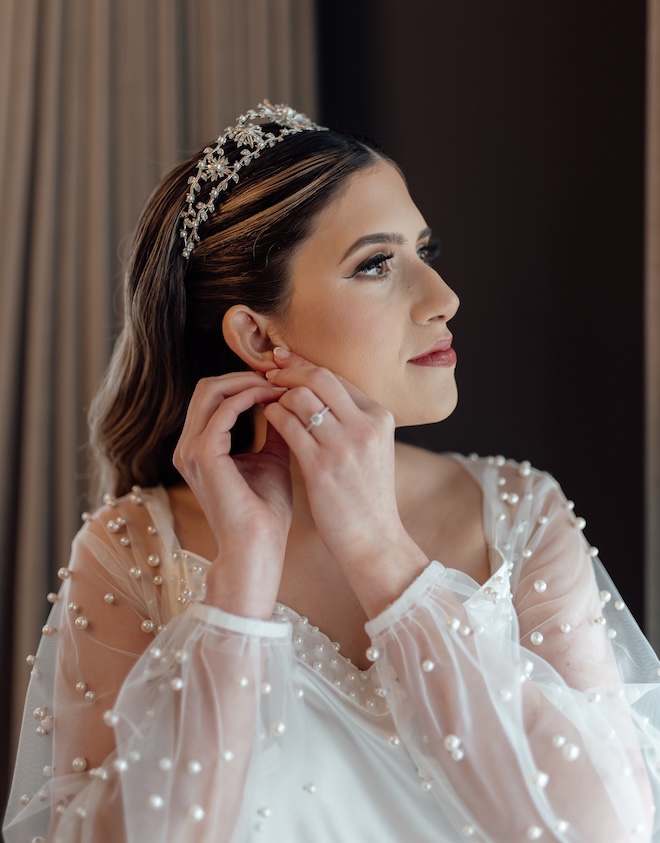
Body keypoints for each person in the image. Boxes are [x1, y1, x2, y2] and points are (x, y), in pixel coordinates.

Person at [4, 100, 660, 843]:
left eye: (425, 252)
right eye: (377, 264)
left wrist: (385, 555)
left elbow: (614, 828)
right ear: (256, 333)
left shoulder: (520, 511)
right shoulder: (129, 550)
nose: (443, 300)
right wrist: (239, 586)